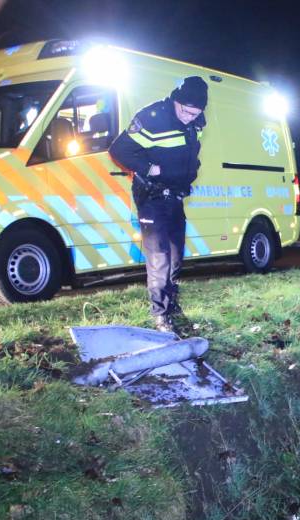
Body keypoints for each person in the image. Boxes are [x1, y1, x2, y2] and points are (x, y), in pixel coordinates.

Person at [109, 76, 208, 333]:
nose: (189, 117)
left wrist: (191, 170)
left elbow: (190, 152)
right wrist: (148, 168)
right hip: (151, 196)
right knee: (159, 256)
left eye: (195, 113)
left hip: (175, 195)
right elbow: (119, 150)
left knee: (176, 255)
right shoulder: (152, 118)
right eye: (186, 111)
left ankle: (172, 304)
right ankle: (160, 315)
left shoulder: (195, 122)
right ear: (176, 101)